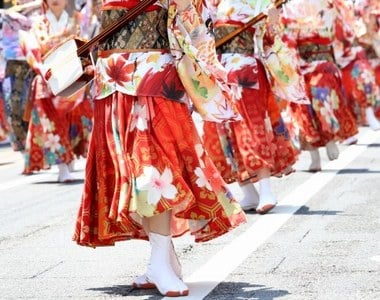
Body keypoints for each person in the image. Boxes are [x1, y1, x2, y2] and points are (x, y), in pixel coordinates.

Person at [72, 0, 246, 297]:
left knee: (155, 169)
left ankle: (160, 261)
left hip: (154, 75)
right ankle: (161, 259)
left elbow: (193, 16)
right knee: (136, 173)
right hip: (113, 76)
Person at [199, 0, 303, 214]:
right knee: (220, 130)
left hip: (245, 68)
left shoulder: (259, 3)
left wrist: (272, 20)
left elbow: (268, 41)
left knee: (252, 126)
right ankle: (247, 190)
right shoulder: (208, 3)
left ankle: (265, 188)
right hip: (217, 72)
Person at [280, 0, 358, 172]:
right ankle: (314, 155)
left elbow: (343, 32)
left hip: (323, 61)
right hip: (299, 62)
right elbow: (286, 39)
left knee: (321, 93)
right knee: (301, 106)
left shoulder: (329, 4)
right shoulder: (288, 7)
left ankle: (330, 138)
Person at [18, 0, 93, 181]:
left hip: (74, 79)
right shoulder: (37, 24)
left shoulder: (77, 19)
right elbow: (31, 52)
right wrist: (39, 67)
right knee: (52, 125)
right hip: (48, 79)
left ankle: (69, 157)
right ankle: (62, 166)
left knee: (76, 123)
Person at [332, 0, 380, 133]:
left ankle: (369, 113)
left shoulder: (351, 5)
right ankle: (352, 123)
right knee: (344, 93)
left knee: (364, 77)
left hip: (356, 50)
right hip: (334, 54)